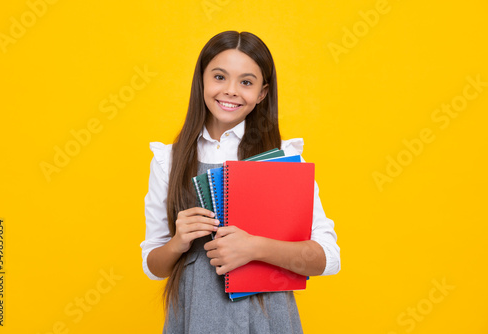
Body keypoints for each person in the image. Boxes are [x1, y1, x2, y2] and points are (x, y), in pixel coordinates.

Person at [140, 30, 340, 333]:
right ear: (201, 80)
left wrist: (255, 248)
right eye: (219, 77)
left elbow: (328, 258)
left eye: (246, 82)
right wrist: (177, 242)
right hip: (195, 318)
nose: (231, 90)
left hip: (268, 318)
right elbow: (154, 268)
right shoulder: (168, 160)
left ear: (262, 93)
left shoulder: (283, 157)